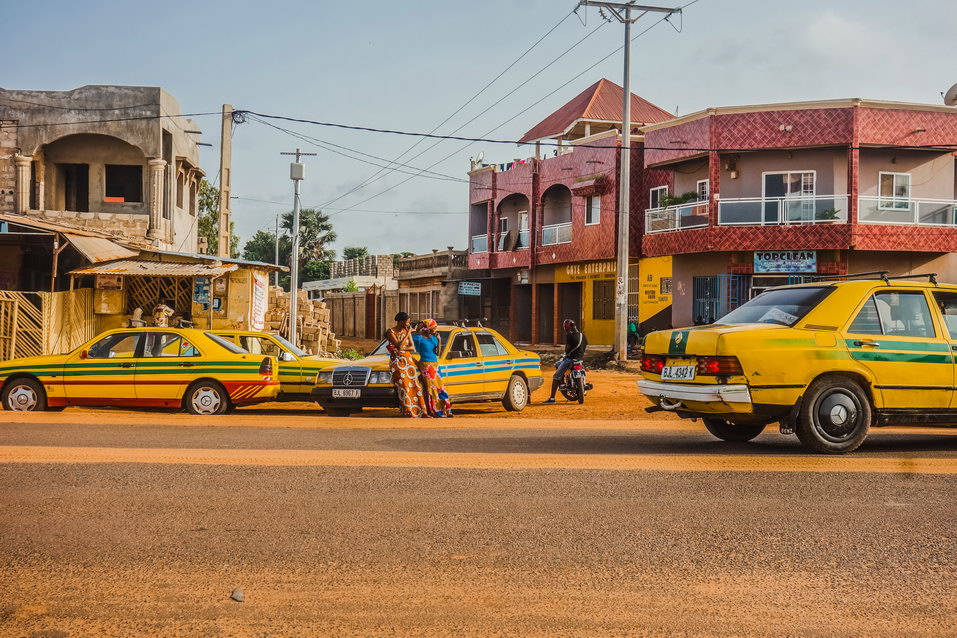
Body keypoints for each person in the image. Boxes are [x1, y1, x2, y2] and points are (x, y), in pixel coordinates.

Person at [385, 312, 428, 418]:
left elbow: (412, 347)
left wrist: (402, 348)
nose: (408, 324)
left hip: (408, 362)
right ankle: (408, 411)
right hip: (398, 363)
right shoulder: (391, 332)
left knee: (415, 386)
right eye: (407, 322)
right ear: (400, 322)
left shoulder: (405, 331)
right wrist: (408, 334)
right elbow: (398, 344)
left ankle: (421, 411)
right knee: (404, 387)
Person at [412, 318, 453, 418]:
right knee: (431, 388)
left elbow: (438, 353)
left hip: (435, 365)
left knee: (440, 387)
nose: (435, 330)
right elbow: (412, 347)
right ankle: (435, 410)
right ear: (427, 328)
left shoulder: (434, 339)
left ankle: (447, 410)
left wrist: (439, 340)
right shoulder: (418, 339)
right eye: (433, 328)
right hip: (426, 365)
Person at [543, 319, 588, 405]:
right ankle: (583, 385)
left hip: (570, 360)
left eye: (566, 328)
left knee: (556, 375)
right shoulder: (583, 336)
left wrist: (565, 356)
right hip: (579, 360)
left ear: (569, 328)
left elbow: (567, 350)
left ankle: (552, 398)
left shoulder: (570, 336)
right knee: (583, 370)